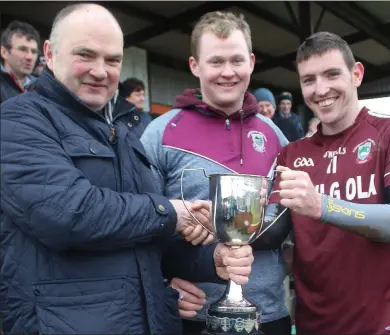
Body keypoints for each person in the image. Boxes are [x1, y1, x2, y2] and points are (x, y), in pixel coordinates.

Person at [0, 4, 254, 334]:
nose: (100, 70)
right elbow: (68, 214)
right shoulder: (19, 120)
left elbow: (142, 238)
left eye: (112, 60)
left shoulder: (123, 132)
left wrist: (209, 261)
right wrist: (172, 212)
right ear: (49, 53)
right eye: (85, 55)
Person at [142, 11, 293, 335]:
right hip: (191, 319)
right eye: (216, 62)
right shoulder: (159, 134)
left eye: (237, 60)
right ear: (195, 65)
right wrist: (165, 285)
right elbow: (138, 227)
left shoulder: (276, 138)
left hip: (269, 315)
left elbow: (291, 219)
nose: (228, 72)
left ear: (251, 62)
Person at [270, 31, 390, 334]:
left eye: (332, 74)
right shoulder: (292, 154)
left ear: (356, 74)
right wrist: (216, 223)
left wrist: (321, 205)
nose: (321, 89)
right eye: (309, 80)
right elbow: (272, 232)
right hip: (315, 327)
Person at [0, 20, 40, 103]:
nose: (30, 57)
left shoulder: (42, 86)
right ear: (4, 52)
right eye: (22, 49)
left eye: (34, 51)